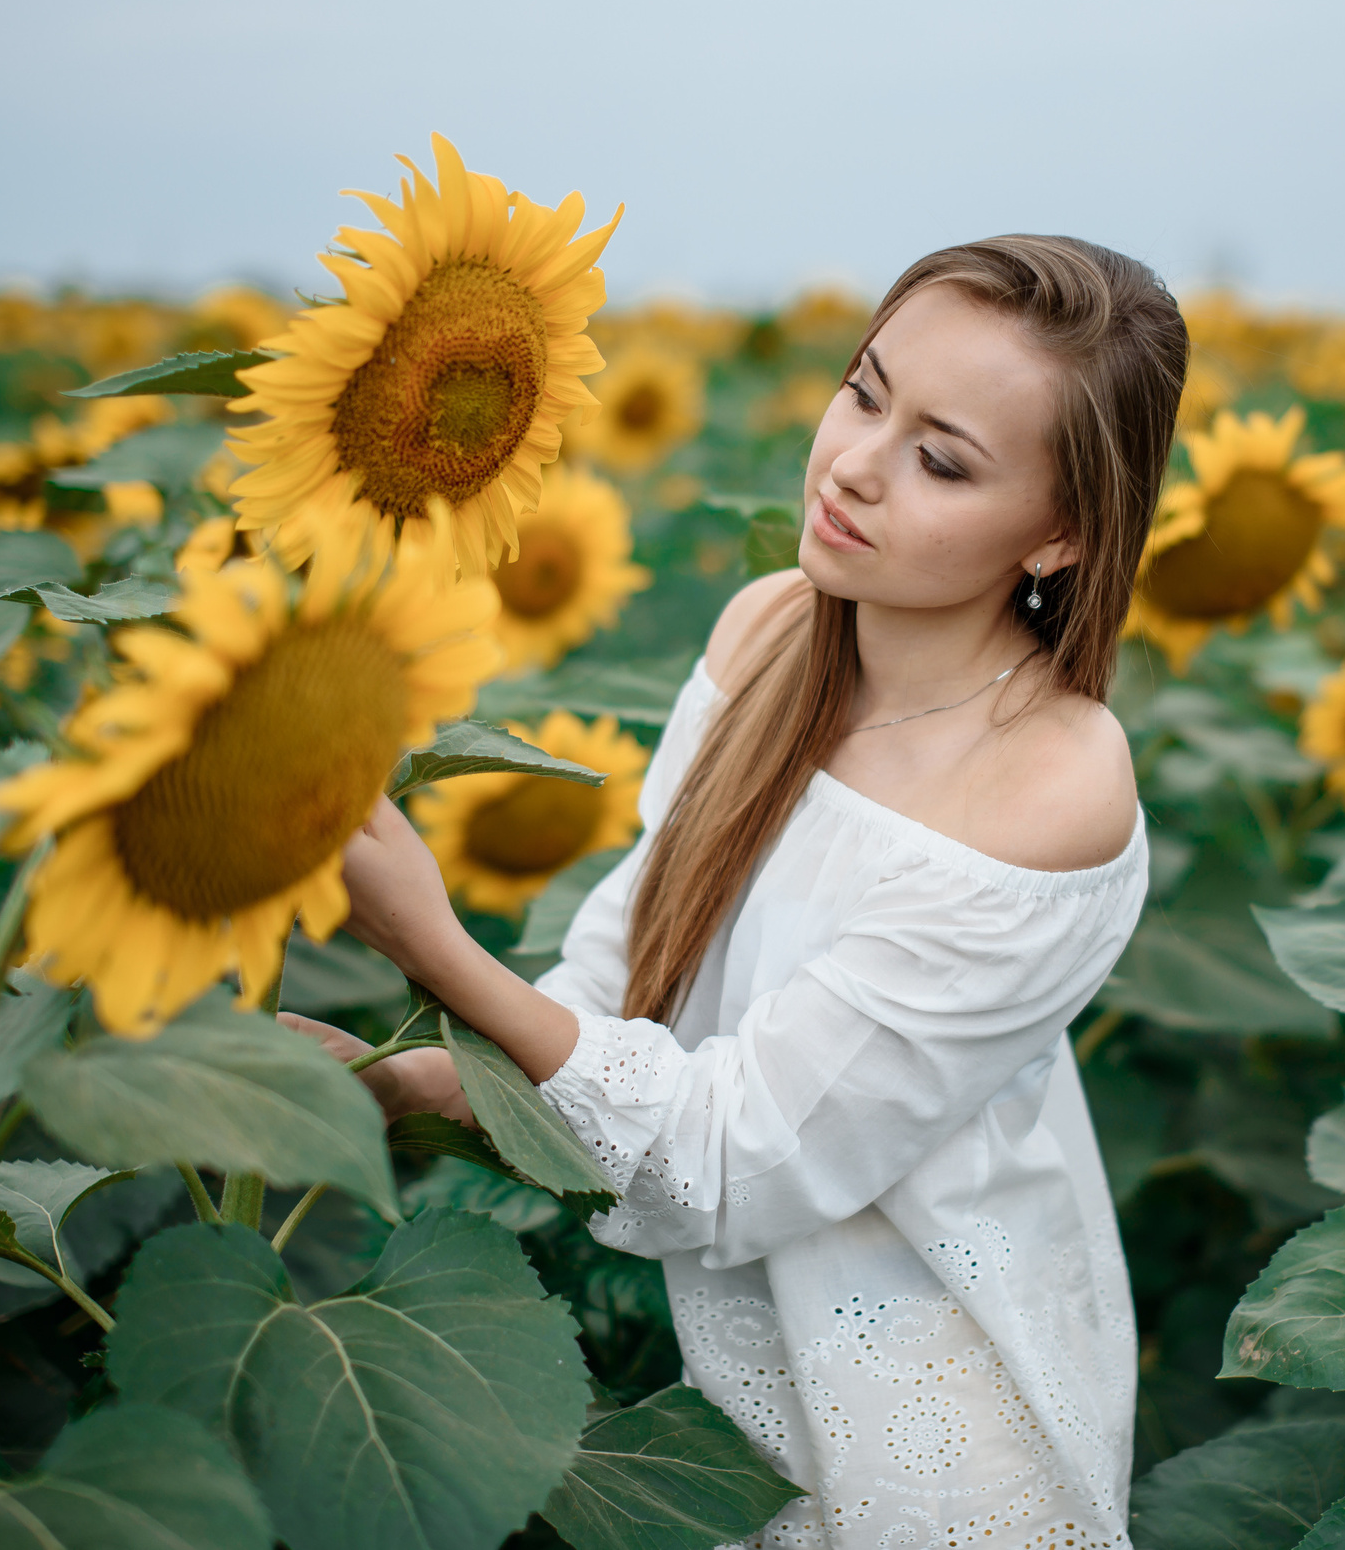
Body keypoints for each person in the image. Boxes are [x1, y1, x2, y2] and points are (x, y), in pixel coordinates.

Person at [292, 235, 1185, 1549]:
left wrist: (432, 943)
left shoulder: (1049, 782)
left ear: (1061, 532)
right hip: (726, 1421)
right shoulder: (772, 632)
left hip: (936, 1452)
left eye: (942, 459)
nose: (856, 465)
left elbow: (732, 1154)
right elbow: (627, 976)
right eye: (864, 391)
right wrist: (411, 1083)